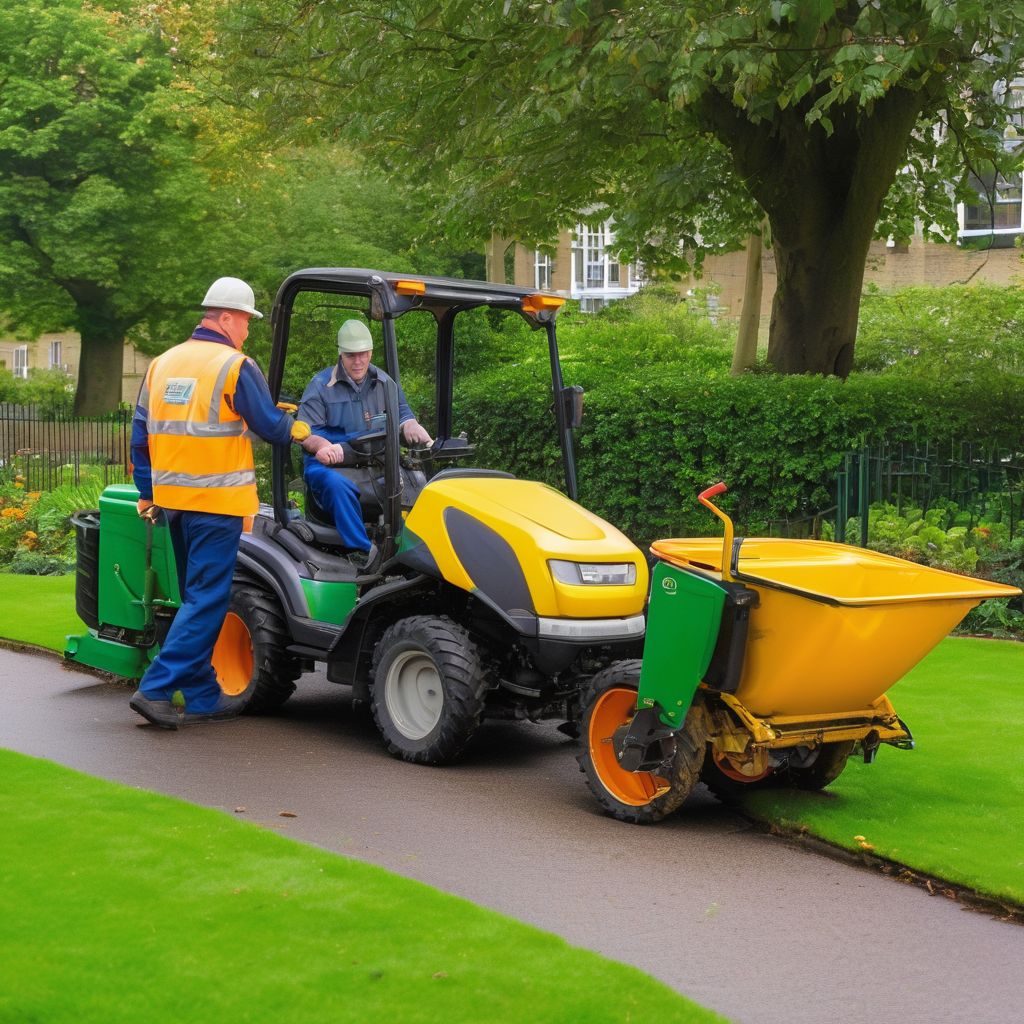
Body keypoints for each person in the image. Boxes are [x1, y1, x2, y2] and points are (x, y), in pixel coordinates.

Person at [128, 277, 327, 729]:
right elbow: (271, 428)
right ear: (226, 317)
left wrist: (148, 492)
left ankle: (200, 695)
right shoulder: (234, 365)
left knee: (195, 599)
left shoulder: (162, 364)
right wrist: (301, 430)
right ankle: (156, 687)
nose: (248, 331)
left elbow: (141, 435)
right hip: (216, 504)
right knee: (208, 601)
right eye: (246, 322)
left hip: (173, 503)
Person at [297, 319, 431, 553]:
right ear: (340, 354)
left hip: (375, 460)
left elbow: (403, 415)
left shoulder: (385, 382)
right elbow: (306, 433)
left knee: (417, 482)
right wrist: (322, 445)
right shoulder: (319, 386)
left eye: (363, 354)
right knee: (337, 486)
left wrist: (411, 426)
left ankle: (413, 549)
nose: (358, 361)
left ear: (371, 351)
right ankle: (361, 552)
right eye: (351, 356)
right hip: (331, 463)